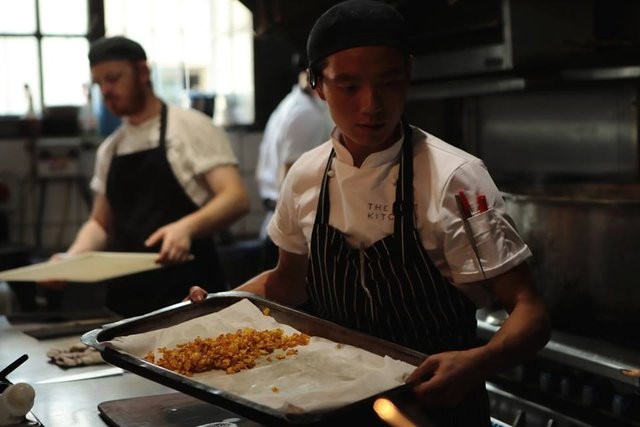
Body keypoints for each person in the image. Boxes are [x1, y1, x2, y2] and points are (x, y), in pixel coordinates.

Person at [189, 1, 550, 425]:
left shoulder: (455, 178)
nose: (371, 105)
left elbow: (530, 311)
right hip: (330, 406)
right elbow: (287, 282)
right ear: (317, 84)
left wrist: (479, 361)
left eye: (389, 82)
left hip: (435, 408)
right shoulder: (306, 176)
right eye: (348, 87)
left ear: (409, 74)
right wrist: (217, 309)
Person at [43, 36, 250, 317]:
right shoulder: (110, 148)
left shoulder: (190, 127)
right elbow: (100, 224)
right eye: (99, 83)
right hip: (128, 303)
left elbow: (235, 198)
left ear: (143, 72)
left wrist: (186, 227)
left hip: (190, 296)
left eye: (113, 79)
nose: (106, 90)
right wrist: (71, 259)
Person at [255, 52, 332, 269]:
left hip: (278, 224)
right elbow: (290, 176)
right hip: (290, 231)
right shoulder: (304, 113)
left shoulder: (294, 104)